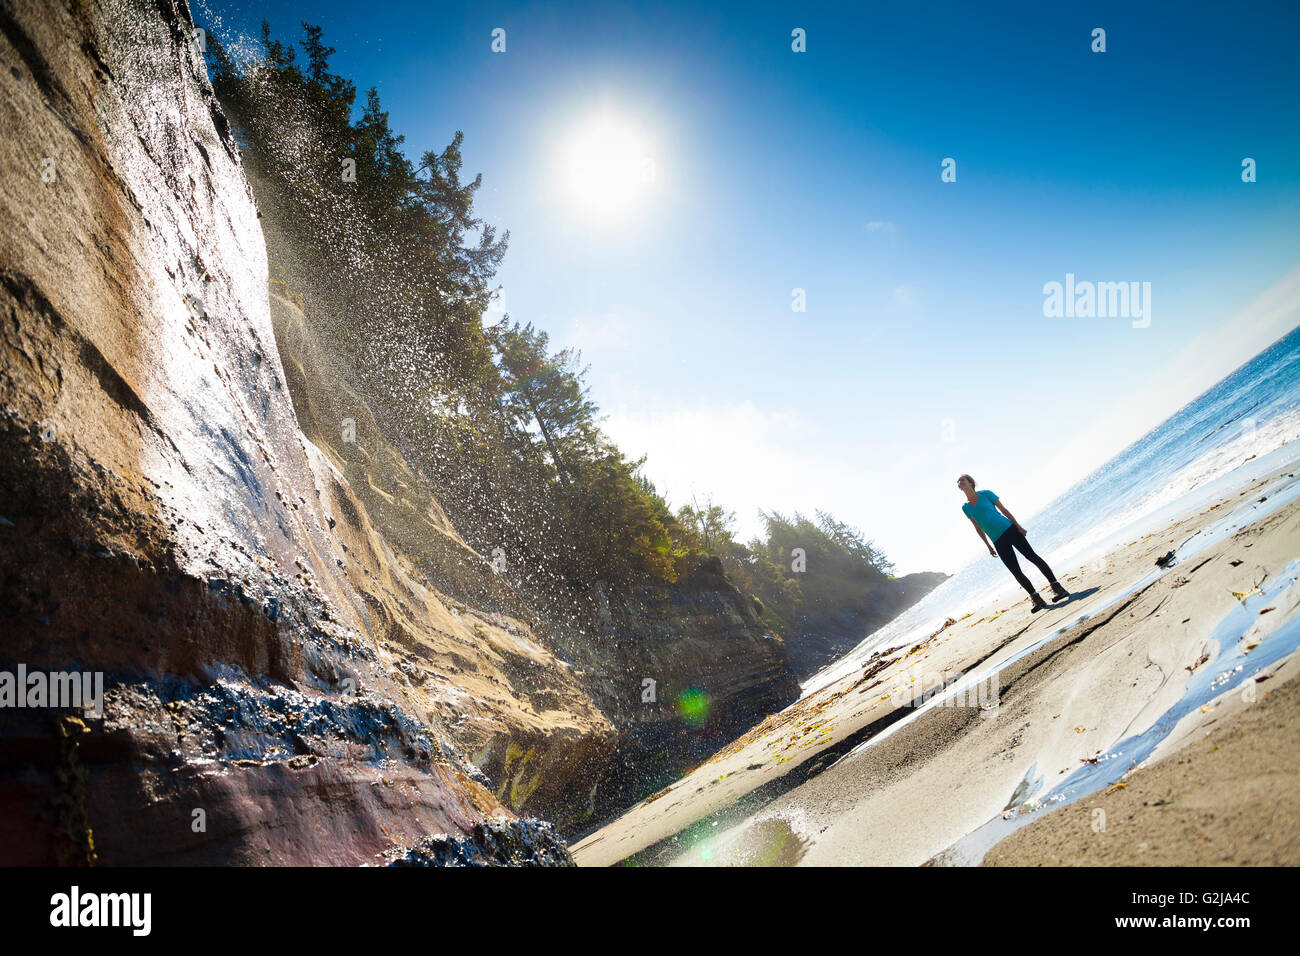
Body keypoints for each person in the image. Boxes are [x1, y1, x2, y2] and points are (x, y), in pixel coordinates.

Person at [958, 474, 1069, 612]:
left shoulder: (986, 494)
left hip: (1010, 529)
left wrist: (1018, 526)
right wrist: (988, 546)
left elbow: (1003, 510)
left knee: (1032, 557)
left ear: (970, 482)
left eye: (962, 480)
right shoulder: (965, 507)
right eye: (958, 481)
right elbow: (977, 527)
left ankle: (1057, 587)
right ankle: (1036, 598)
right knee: (1015, 571)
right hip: (997, 540)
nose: (959, 482)